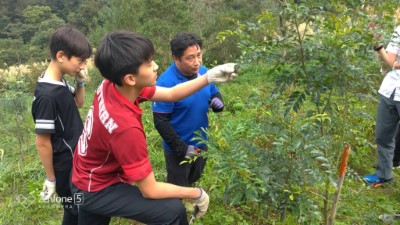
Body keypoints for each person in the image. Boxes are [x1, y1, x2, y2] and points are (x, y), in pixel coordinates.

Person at [70, 30, 238, 225]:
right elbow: (149, 190)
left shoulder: (112, 84)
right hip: (96, 187)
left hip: (85, 171)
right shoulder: (125, 128)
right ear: (130, 78)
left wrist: (208, 77)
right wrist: (197, 193)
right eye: (149, 64)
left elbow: (172, 94)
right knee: (173, 211)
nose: (156, 66)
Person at [31, 27, 91, 224]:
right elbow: (42, 142)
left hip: (76, 158)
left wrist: (80, 83)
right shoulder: (47, 96)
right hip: (66, 165)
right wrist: (51, 178)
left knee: (76, 208)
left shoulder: (59, 82)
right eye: (80, 61)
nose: (82, 66)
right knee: (74, 209)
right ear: (61, 56)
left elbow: (78, 103)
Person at [152, 32, 224, 187]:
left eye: (199, 55)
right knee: (177, 187)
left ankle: (190, 202)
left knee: (194, 177)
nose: (197, 62)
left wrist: (218, 100)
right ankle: (177, 209)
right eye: (190, 58)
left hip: (201, 142)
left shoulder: (204, 72)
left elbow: (213, 91)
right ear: (176, 58)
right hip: (178, 147)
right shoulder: (166, 82)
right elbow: (160, 121)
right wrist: (181, 148)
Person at [363, 25, 400, 186]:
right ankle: (383, 174)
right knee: (383, 135)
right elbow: (392, 61)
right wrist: (379, 46)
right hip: (390, 90)